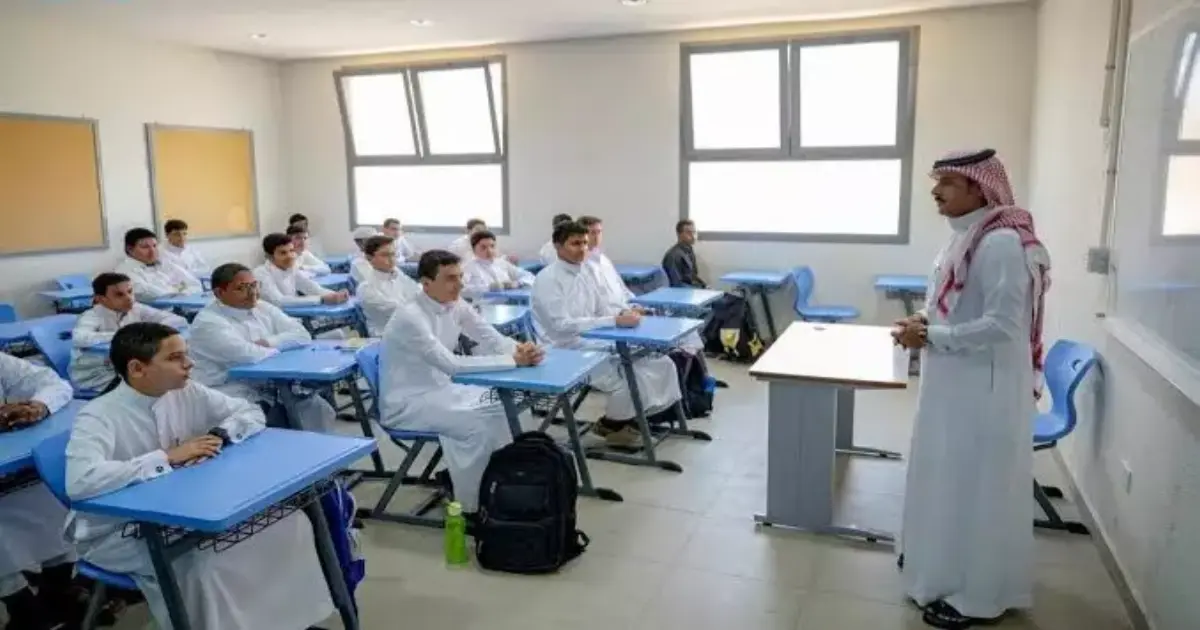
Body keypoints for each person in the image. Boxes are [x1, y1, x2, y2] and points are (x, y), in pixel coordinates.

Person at [65, 322, 334, 630]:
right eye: (175, 358)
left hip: (187, 508)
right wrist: (166, 457)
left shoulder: (186, 391)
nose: (189, 364)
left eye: (187, 354)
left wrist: (220, 433)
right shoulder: (98, 415)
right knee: (207, 564)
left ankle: (286, 622)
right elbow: (80, 480)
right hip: (118, 530)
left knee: (289, 523)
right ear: (138, 368)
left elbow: (249, 412)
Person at [892, 149, 1050, 629]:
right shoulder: (968, 235)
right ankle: (938, 568)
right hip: (957, 383)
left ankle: (977, 596)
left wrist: (930, 336)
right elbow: (954, 302)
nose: (935, 192)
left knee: (976, 488)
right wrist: (923, 320)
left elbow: (1004, 326)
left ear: (980, 188)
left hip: (984, 389)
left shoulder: (1000, 243)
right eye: (936, 181)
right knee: (950, 478)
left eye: (948, 183)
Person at [380, 250, 543, 513]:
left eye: (460, 277)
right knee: (476, 426)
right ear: (426, 283)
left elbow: (488, 336)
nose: (459, 284)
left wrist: (521, 349)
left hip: (442, 390)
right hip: (408, 403)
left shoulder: (455, 304)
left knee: (508, 406)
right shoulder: (410, 316)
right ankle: (470, 507)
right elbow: (452, 365)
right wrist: (513, 361)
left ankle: (502, 483)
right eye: (450, 278)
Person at [533, 221, 682, 448]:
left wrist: (624, 312)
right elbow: (561, 325)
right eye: (575, 243)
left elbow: (602, 307)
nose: (582, 248)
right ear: (558, 246)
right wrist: (613, 320)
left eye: (584, 243)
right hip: (563, 348)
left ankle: (623, 421)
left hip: (593, 339)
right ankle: (616, 426)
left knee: (661, 363)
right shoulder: (548, 279)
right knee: (629, 376)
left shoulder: (586, 271)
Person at [189, 263, 335, 433]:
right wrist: (280, 345)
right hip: (228, 389)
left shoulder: (261, 306)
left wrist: (269, 343)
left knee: (316, 407)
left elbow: (302, 334)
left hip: (265, 383)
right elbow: (248, 355)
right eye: (241, 288)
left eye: (254, 285)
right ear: (219, 293)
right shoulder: (208, 323)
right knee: (280, 416)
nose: (252, 293)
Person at [0, 353, 80, 630]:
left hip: (10, 472)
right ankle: (21, 606)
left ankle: (57, 591)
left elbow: (53, 382)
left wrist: (39, 406)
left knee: (52, 500)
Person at [70, 272, 188, 392]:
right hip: (97, 371)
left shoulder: (136, 308)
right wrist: (125, 334)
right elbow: (79, 338)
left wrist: (150, 329)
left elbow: (178, 320)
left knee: (172, 376)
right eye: (119, 295)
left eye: (130, 291)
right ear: (101, 299)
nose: (128, 298)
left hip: (127, 366)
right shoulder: (92, 315)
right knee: (159, 383)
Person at [253, 233, 349, 307]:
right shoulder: (261, 273)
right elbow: (279, 301)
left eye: (291, 251)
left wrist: (336, 295)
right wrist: (321, 299)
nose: (290, 256)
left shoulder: (291, 269)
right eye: (283, 253)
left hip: (292, 315)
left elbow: (312, 288)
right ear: (269, 256)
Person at [115, 227, 203, 301]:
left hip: (184, 307)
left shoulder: (164, 263)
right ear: (130, 249)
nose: (152, 251)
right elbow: (148, 295)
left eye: (154, 246)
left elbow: (195, 284)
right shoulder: (124, 272)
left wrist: (176, 291)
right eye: (145, 247)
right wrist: (178, 288)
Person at [357, 235, 420, 337]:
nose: (392, 259)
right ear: (369, 258)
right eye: (385, 255)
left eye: (393, 254)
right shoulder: (366, 288)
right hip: (387, 336)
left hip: (410, 330)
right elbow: (400, 311)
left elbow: (418, 293)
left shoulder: (398, 275)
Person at [576, 216, 634, 311]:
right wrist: (622, 312)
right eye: (592, 233)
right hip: (612, 314)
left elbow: (621, 287)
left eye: (599, 232)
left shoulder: (604, 260)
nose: (597, 237)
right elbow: (595, 304)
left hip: (625, 308)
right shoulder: (580, 265)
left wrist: (635, 304)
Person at [462, 230, 535, 300]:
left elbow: (529, 276)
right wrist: (488, 287)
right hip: (483, 305)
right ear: (473, 250)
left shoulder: (501, 263)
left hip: (508, 303)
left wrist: (519, 283)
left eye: (492, 246)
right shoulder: (468, 267)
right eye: (483, 247)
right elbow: (462, 289)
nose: (489, 251)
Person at [662, 219, 705, 288]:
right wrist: (698, 290)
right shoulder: (673, 256)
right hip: (683, 291)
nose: (693, 236)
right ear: (679, 234)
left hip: (693, 288)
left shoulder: (689, 250)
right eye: (689, 233)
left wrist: (704, 286)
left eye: (694, 232)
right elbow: (676, 284)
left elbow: (693, 276)